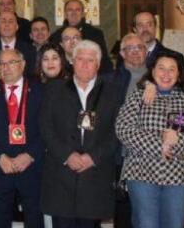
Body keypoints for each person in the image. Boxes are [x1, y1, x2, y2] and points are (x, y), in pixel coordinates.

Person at [115, 50, 184, 228]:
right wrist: (160, 142)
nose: (166, 74)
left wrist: (179, 141)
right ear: (152, 71)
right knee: (146, 224)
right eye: (161, 68)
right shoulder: (138, 96)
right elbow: (123, 129)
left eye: (172, 69)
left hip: (180, 175)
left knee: (174, 224)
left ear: (179, 74)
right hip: (141, 172)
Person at [40, 40, 121, 228]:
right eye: (80, 59)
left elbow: (117, 131)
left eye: (90, 60)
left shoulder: (112, 92)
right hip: (61, 177)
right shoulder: (54, 89)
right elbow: (45, 127)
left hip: (95, 176)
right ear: (72, 62)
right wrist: (67, 155)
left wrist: (93, 157)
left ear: (98, 64)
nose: (84, 64)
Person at [0, 49, 44, 228]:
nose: (6, 68)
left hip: (31, 167)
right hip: (0, 168)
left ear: (22, 65)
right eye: (1, 64)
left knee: (35, 218)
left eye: (11, 63)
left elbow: (46, 129)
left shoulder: (39, 89)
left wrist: (30, 155)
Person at [110, 32, 146, 228]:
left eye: (139, 47)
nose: (135, 52)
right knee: (123, 213)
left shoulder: (159, 76)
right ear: (122, 54)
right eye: (129, 48)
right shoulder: (110, 80)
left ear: (146, 51)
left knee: (147, 213)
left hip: (151, 157)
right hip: (120, 155)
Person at [51, 0, 113, 74]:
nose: (74, 13)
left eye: (77, 10)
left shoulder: (95, 34)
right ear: (65, 13)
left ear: (83, 13)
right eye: (70, 10)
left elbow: (104, 60)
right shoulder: (56, 36)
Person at [0, 11, 37, 78]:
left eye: (11, 21)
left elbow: (31, 76)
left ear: (17, 27)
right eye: (3, 21)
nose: (7, 24)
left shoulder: (30, 50)